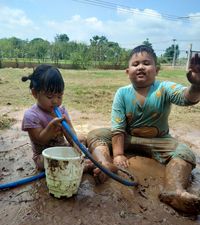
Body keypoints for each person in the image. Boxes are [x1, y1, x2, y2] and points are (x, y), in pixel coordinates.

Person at [87, 45, 200, 214]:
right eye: (135, 64)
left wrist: (196, 85)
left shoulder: (164, 88)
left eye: (146, 63)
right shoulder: (122, 93)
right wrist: (117, 155)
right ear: (127, 71)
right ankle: (104, 165)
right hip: (128, 137)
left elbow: (186, 98)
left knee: (185, 152)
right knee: (96, 134)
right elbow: (118, 128)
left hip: (160, 141)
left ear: (157, 70)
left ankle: (174, 190)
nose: (140, 67)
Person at [22, 64, 92, 172]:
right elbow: (40, 140)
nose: (55, 101)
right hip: (43, 156)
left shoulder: (61, 110)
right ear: (35, 93)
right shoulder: (31, 115)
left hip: (62, 149)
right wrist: (51, 127)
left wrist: (75, 144)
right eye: (49, 96)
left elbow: (71, 135)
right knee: (46, 162)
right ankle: (81, 166)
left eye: (59, 96)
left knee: (80, 143)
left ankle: (83, 162)